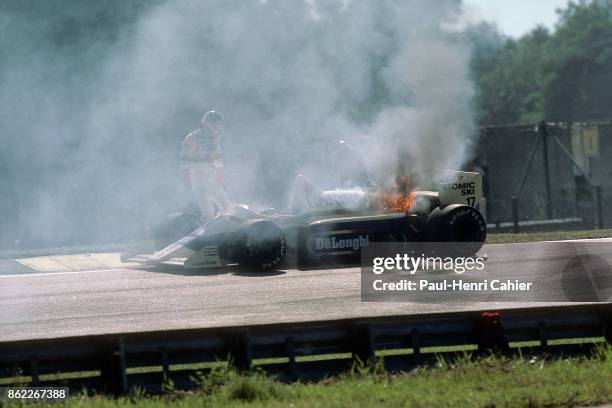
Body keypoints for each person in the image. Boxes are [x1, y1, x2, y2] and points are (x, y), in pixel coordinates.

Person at [180, 110, 231, 222]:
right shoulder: (192, 138)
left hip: (211, 176)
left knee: (227, 208)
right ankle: (204, 235)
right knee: (208, 213)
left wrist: (221, 177)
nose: (217, 129)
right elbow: (185, 161)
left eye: (218, 126)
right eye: (215, 125)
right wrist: (186, 178)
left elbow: (217, 159)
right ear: (207, 124)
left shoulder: (215, 138)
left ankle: (225, 232)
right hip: (198, 176)